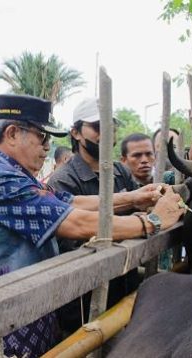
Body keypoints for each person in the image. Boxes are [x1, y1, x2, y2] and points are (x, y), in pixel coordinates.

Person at [0, 94, 185, 357]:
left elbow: (66, 201)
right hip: (7, 319)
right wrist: (152, 221)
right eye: (42, 137)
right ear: (12, 134)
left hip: (27, 304)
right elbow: (74, 222)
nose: (47, 146)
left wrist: (133, 197)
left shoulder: (12, 171)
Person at [47, 97, 143, 336]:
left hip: (125, 280)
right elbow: (72, 239)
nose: (106, 134)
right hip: (83, 294)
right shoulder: (63, 180)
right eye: (98, 127)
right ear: (76, 133)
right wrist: (132, 223)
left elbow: (141, 209)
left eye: (111, 127)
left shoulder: (120, 171)